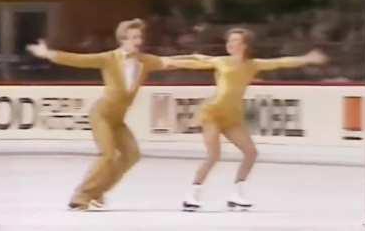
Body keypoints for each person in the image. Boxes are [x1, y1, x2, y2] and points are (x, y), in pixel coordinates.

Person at [26, 18, 202, 211]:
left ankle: (98, 192)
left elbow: (170, 62)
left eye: (139, 36)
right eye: (133, 37)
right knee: (108, 155)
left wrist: (200, 60)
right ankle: (81, 196)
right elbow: (78, 60)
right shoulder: (109, 58)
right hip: (101, 115)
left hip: (117, 120)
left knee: (132, 154)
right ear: (123, 39)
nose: (138, 40)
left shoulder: (145, 61)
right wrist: (48, 54)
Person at [175, 27, 328, 211]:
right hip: (212, 113)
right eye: (229, 41)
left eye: (235, 41)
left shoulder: (252, 65)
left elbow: (280, 62)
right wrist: (166, 61)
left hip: (232, 117)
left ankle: (237, 194)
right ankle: (192, 195)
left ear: (245, 45)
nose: (230, 44)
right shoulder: (221, 61)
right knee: (214, 155)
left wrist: (306, 59)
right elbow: (195, 61)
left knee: (251, 152)